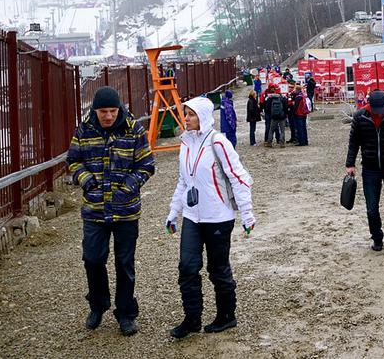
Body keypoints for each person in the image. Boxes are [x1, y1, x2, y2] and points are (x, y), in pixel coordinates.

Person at [66, 86, 155, 336]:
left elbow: (146, 164)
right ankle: (98, 304)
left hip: (125, 210)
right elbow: (73, 160)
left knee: (124, 263)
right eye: (103, 111)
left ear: (119, 109)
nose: (108, 116)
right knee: (93, 260)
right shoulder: (84, 129)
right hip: (94, 211)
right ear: (95, 111)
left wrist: (128, 187)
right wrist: (86, 181)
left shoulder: (133, 128)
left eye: (112, 111)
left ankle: (126, 313)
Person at [166, 97, 255, 339]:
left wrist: (247, 214)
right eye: (185, 114)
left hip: (218, 216)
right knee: (187, 267)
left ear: (203, 116)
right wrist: (173, 213)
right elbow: (184, 181)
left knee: (218, 269)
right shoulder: (185, 143)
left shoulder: (218, 142)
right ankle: (192, 318)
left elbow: (238, 177)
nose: (186, 119)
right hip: (193, 217)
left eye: (191, 115)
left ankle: (227, 315)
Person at [345, 90, 384, 251]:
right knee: (372, 206)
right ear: (369, 105)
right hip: (370, 167)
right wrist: (350, 164)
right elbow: (353, 142)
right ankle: (377, 238)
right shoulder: (360, 117)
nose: (379, 113)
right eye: (376, 109)